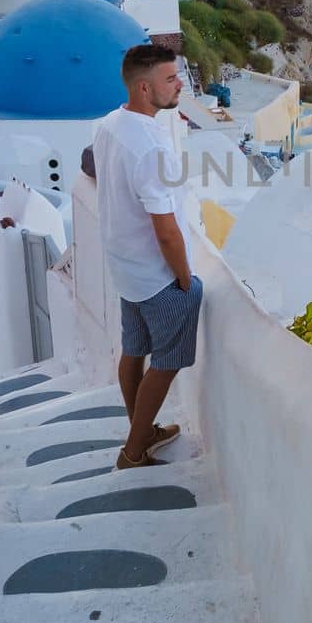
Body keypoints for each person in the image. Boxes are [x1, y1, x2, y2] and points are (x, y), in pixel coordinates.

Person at [92, 44, 201, 470]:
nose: (179, 85)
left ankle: (142, 429)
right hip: (157, 276)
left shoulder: (109, 125)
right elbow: (166, 229)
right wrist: (186, 279)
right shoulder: (152, 148)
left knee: (133, 351)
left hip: (125, 266)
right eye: (170, 79)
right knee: (168, 362)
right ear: (143, 87)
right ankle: (134, 452)